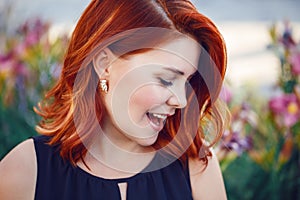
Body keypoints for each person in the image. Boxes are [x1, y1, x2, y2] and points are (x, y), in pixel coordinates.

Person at [0, 0, 229, 199]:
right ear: (103, 64)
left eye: (188, 82)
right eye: (167, 80)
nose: (181, 101)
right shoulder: (25, 171)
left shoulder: (197, 168)